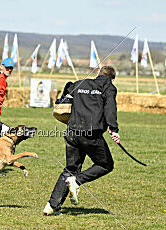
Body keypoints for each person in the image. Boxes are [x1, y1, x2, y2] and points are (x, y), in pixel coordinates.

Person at [43, 65, 121, 216]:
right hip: (90, 134)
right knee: (106, 165)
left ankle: (51, 207)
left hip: (72, 132)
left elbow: (67, 88)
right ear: (112, 79)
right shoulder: (109, 88)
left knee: (70, 169)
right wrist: (114, 129)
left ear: (98, 74)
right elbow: (110, 108)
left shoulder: (80, 83)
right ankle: (77, 181)